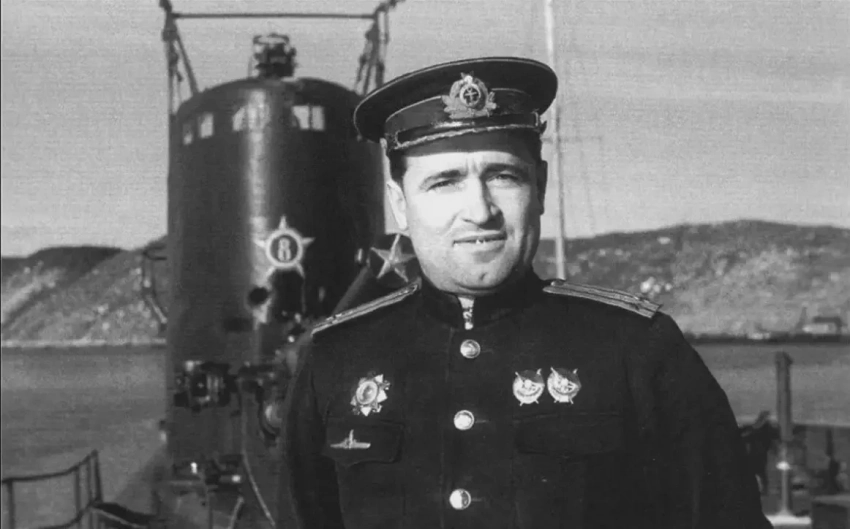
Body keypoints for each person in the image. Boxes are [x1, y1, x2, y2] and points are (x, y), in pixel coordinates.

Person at [277, 57, 771, 529]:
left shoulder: (637, 350)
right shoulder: (336, 359)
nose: (480, 211)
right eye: (445, 182)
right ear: (400, 206)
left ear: (540, 186)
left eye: (503, 176)